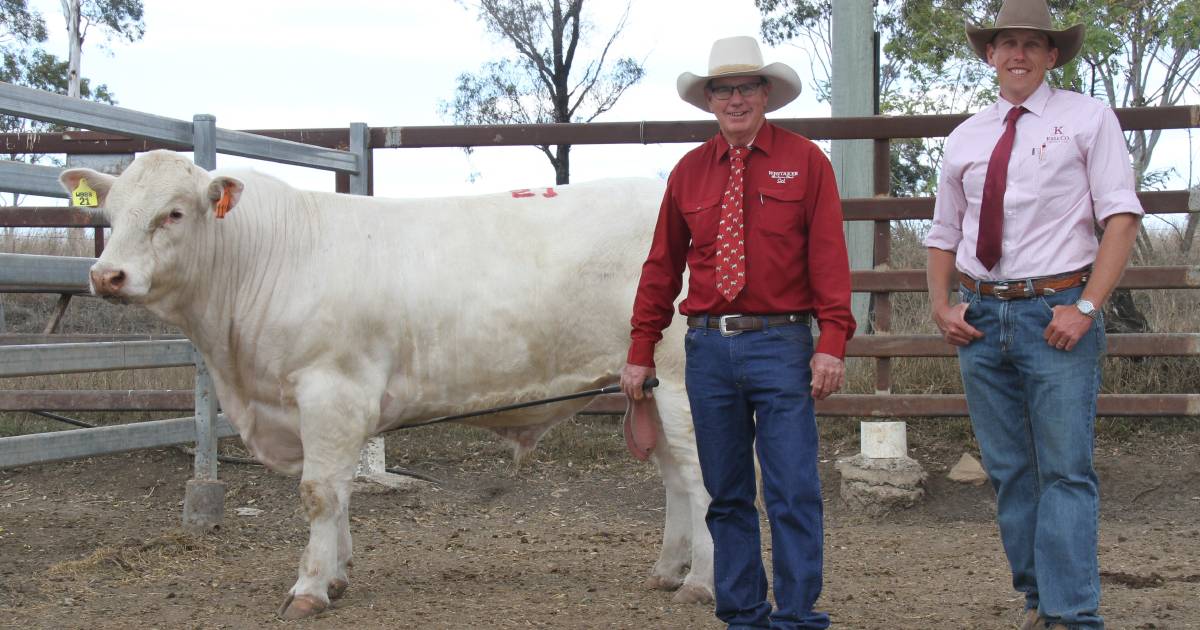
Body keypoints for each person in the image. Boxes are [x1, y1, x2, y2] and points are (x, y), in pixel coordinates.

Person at [620, 35, 855, 629]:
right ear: (709, 101)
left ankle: (797, 614)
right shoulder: (689, 173)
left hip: (781, 343)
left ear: (766, 93)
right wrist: (640, 350)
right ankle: (743, 613)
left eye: (746, 87)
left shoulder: (807, 162)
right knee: (725, 492)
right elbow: (660, 267)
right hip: (707, 346)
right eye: (722, 89)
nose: (735, 99)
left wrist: (831, 341)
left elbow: (829, 259)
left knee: (793, 488)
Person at [924, 1, 1142, 628]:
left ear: (1052, 56)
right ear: (989, 54)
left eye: (1031, 43)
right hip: (983, 317)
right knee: (1010, 470)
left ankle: (1072, 615)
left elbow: (1120, 217)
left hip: (1056, 312)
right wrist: (942, 305)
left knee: (1065, 469)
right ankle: (1040, 598)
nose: (1017, 53)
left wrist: (1086, 306)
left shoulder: (1087, 119)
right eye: (1005, 43)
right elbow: (944, 231)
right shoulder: (967, 136)